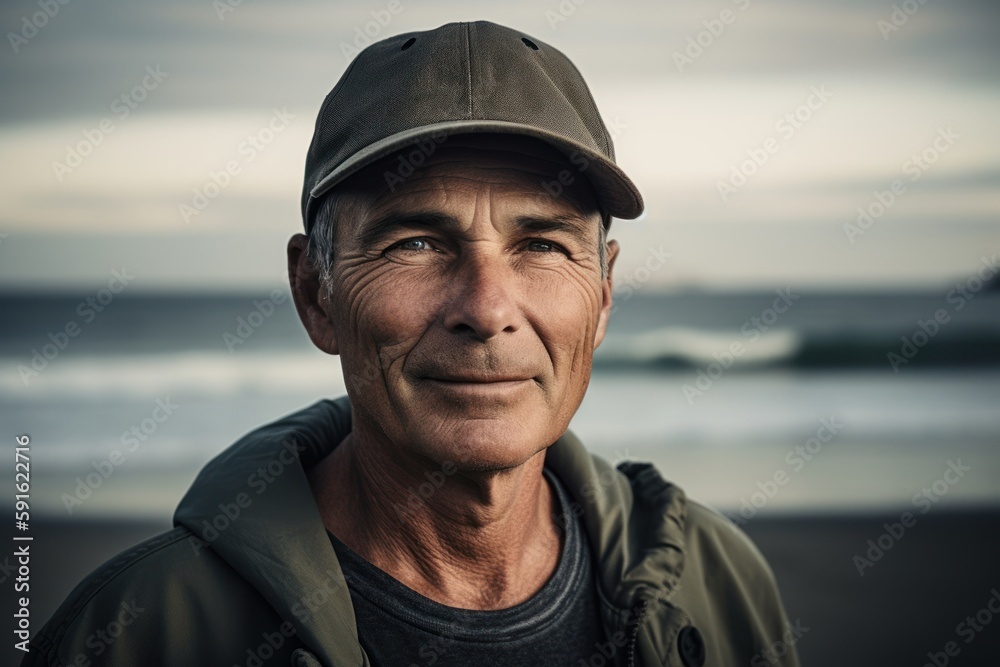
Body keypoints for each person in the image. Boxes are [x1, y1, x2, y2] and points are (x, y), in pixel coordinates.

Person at [26, 21, 799, 667]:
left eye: (543, 244)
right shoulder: (135, 633)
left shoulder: (715, 584)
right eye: (418, 242)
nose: (488, 308)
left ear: (602, 295)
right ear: (315, 292)